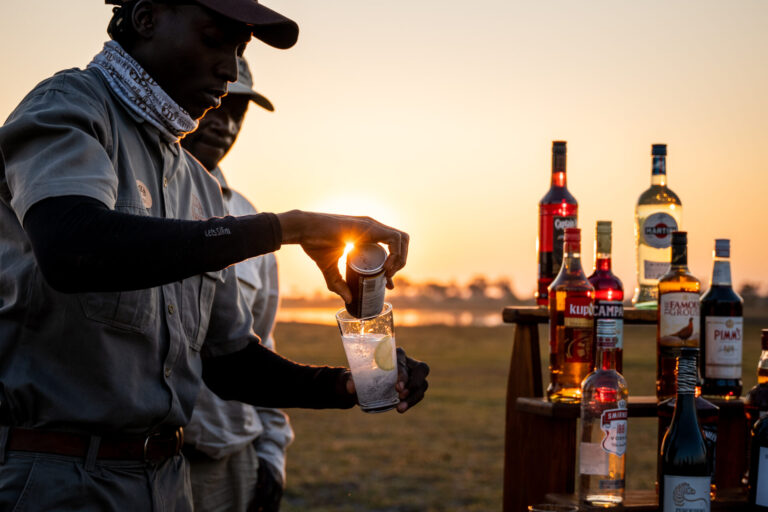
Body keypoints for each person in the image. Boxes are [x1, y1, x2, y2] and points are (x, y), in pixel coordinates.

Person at [0, 1, 429, 511]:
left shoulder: (198, 187)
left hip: (164, 482)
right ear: (145, 17)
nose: (229, 69)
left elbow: (228, 362)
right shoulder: (70, 108)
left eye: (238, 48)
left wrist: (343, 386)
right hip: (54, 480)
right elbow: (73, 248)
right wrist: (284, 228)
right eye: (213, 39)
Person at [181, 57, 293, 512]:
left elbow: (261, 345)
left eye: (238, 111)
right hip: (141, 459)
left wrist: (270, 455)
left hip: (233, 459)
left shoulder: (254, 223)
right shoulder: (125, 204)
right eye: (217, 103)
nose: (223, 122)